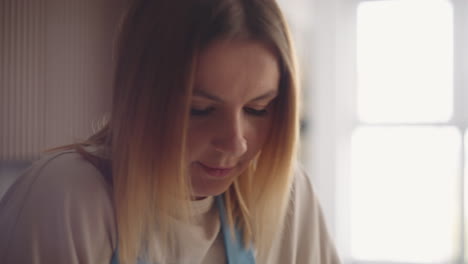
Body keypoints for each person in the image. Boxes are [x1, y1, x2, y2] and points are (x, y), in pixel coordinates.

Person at [0, 0, 341, 263]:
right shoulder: (66, 199)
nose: (235, 143)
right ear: (140, 100)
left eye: (258, 108)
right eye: (200, 110)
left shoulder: (288, 197)